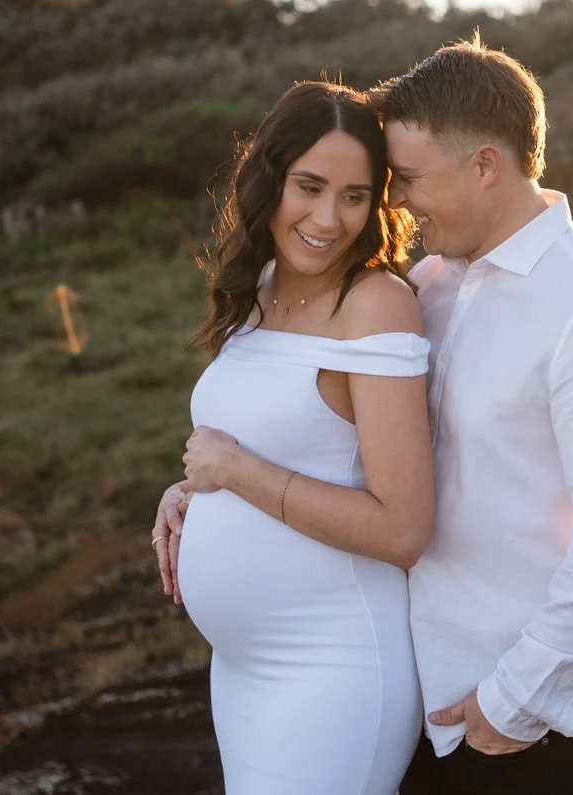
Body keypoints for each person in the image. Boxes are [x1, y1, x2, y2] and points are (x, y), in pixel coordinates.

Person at [157, 37, 573, 795]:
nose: (397, 202)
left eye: (407, 179)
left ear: (486, 166)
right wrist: (209, 493)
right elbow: (353, 444)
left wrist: (516, 700)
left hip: (525, 722)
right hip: (434, 706)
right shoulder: (432, 283)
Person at [153, 79, 435, 794]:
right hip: (243, 665)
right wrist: (192, 490)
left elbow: (402, 528)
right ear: (269, 177)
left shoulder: (374, 305)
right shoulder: (260, 285)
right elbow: (274, 441)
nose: (328, 217)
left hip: (333, 664)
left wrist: (235, 471)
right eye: (308, 186)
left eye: (354, 195)